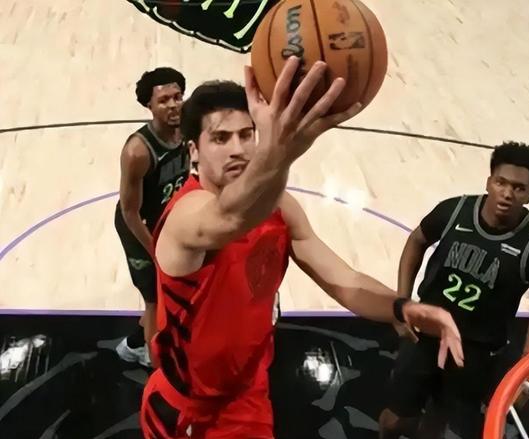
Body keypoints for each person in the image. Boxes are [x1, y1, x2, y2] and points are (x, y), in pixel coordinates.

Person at [139, 57, 465, 439]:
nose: (238, 149)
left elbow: (343, 279)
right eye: (221, 138)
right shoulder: (185, 214)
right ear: (194, 151)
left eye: (247, 134)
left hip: (249, 391)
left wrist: (403, 307)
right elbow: (230, 217)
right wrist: (282, 151)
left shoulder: (280, 208)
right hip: (189, 412)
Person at [379, 142, 529, 439]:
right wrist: (402, 300)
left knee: (443, 422)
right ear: (489, 181)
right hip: (426, 335)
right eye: (501, 182)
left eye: (519, 188)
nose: (507, 193)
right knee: (394, 421)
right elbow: (416, 241)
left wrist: (528, 365)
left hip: (478, 350)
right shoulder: (455, 211)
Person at [114, 67, 190, 367]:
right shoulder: (138, 152)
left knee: (169, 292)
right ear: (149, 105)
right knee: (155, 300)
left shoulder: (186, 130)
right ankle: (157, 368)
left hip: (166, 222)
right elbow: (129, 211)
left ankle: (133, 345)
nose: (173, 105)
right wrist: (155, 251)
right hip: (139, 229)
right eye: (164, 100)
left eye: (177, 97)